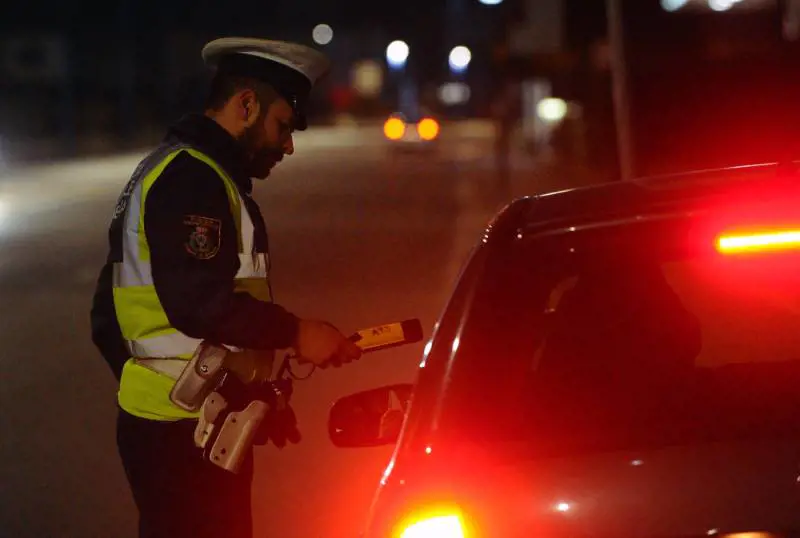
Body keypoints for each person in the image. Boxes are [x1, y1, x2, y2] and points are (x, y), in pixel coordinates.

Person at [89, 37, 362, 538]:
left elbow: (106, 317)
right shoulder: (192, 180)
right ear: (246, 105)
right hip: (181, 432)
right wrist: (296, 333)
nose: (288, 145)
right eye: (283, 125)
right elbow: (200, 304)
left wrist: (243, 393)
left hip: (185, 425)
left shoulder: (190, 174)